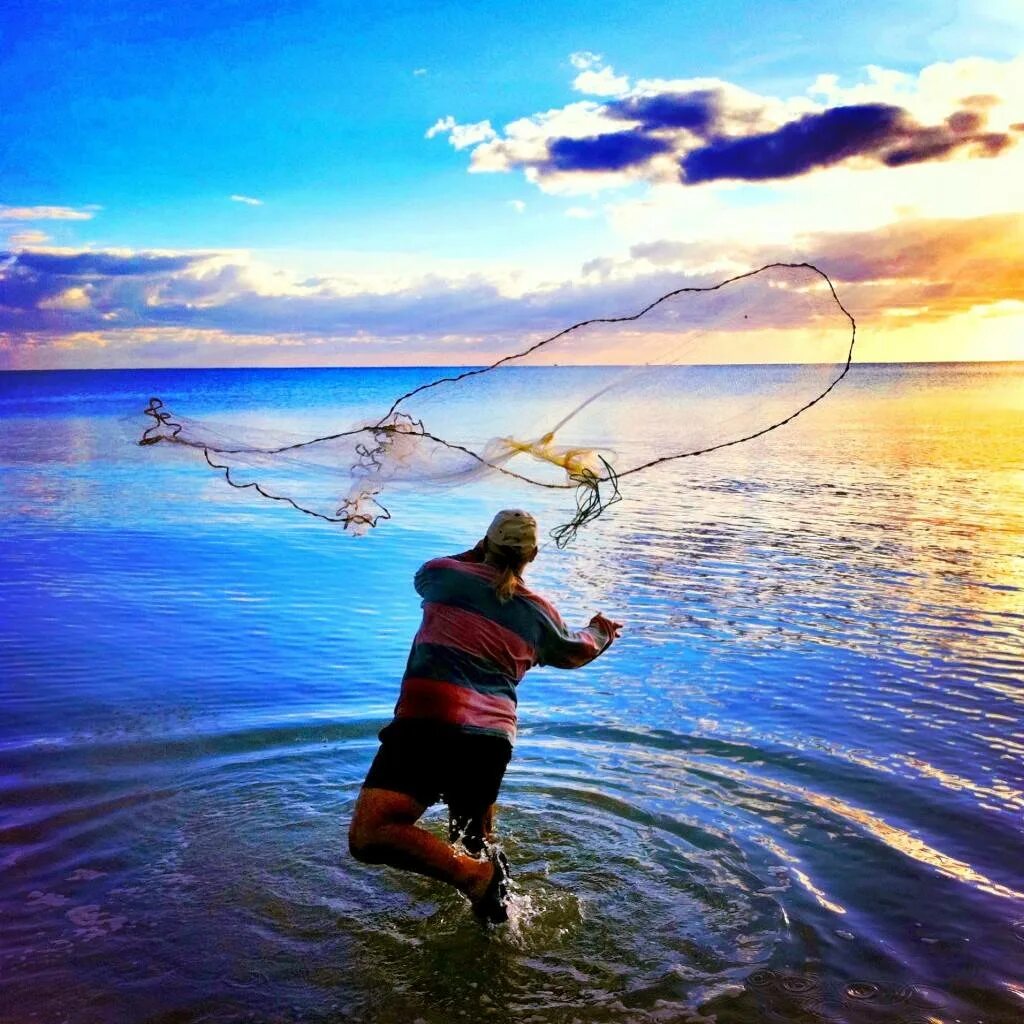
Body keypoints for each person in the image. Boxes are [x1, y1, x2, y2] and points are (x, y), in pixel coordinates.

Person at [348, 509, 622, 924]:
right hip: (490, 742)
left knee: (371, 836)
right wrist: (601, 629)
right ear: (532, 554)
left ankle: (475, 878)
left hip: (428, 725)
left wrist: (478, 553)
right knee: (472, 838)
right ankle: (499, 920)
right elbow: (576, 649)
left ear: (484, 543)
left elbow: (424, 574)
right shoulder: (539, 614)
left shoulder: (444, 576)